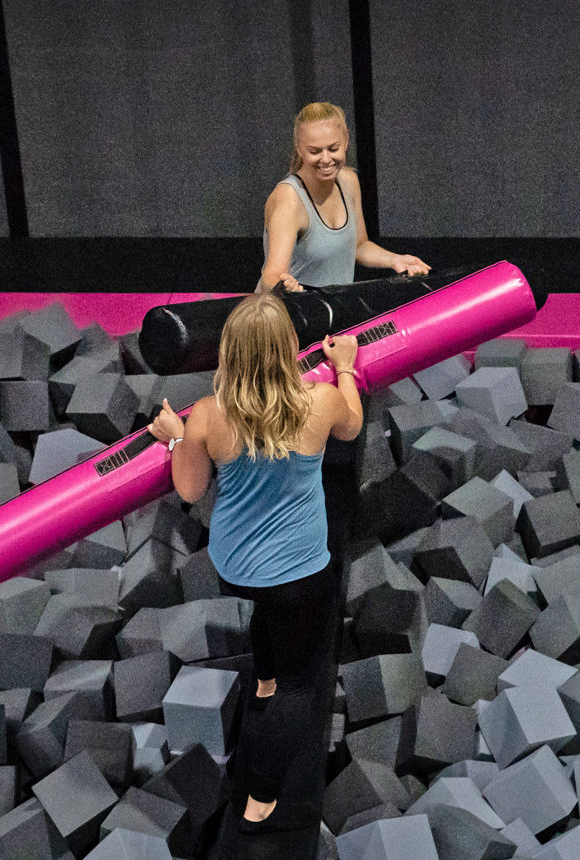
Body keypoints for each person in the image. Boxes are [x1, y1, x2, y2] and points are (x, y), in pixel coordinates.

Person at [148, 292, 363, 833]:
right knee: (301, 687)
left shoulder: (207, 416)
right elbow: (353, 427)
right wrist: (345, 370)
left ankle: (262, 678)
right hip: (301, 572)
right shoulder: (319, 402)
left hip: (235, 566)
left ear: (229, 353)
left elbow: (192, 490)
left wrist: (177, 441)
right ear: (290, 347)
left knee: (272, 612)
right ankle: (261, 796)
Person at [258, 101, 430, 292]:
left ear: (346, 140)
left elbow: (359, 246)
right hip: (288, 314)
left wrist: (395, 260)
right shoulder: (289, 198)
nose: (325, 159)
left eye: (333, 149)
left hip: (334, 309)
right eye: (315, 151)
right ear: (299, 149)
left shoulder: (348, 181)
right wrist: (286, 286)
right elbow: (271, 275)